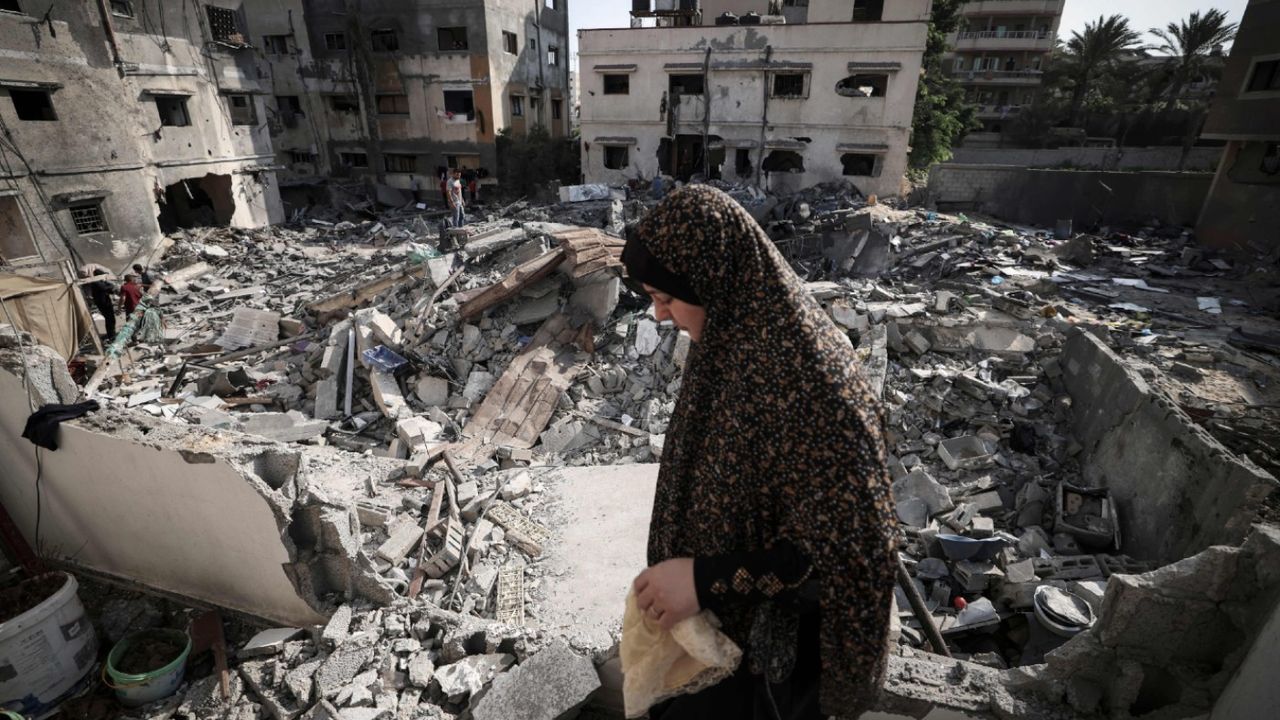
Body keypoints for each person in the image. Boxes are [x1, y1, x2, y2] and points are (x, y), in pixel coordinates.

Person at [623, 186, 897, 719]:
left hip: (774, 671)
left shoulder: (810, 382)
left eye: (666, 298)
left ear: (712, 281)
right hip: (724, 638)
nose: (658, 316)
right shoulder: (733, 338)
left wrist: (704, 579)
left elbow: (850, 550)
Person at [85, 269, 116, 340]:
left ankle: (111, 334)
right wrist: (110, 285)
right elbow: (105, 288)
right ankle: (111, 336)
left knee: (110, 319)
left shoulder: (100, 282)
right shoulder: (96, 282)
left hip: (105, 302)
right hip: (103, 303)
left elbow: (109, 289)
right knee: (109, 319)